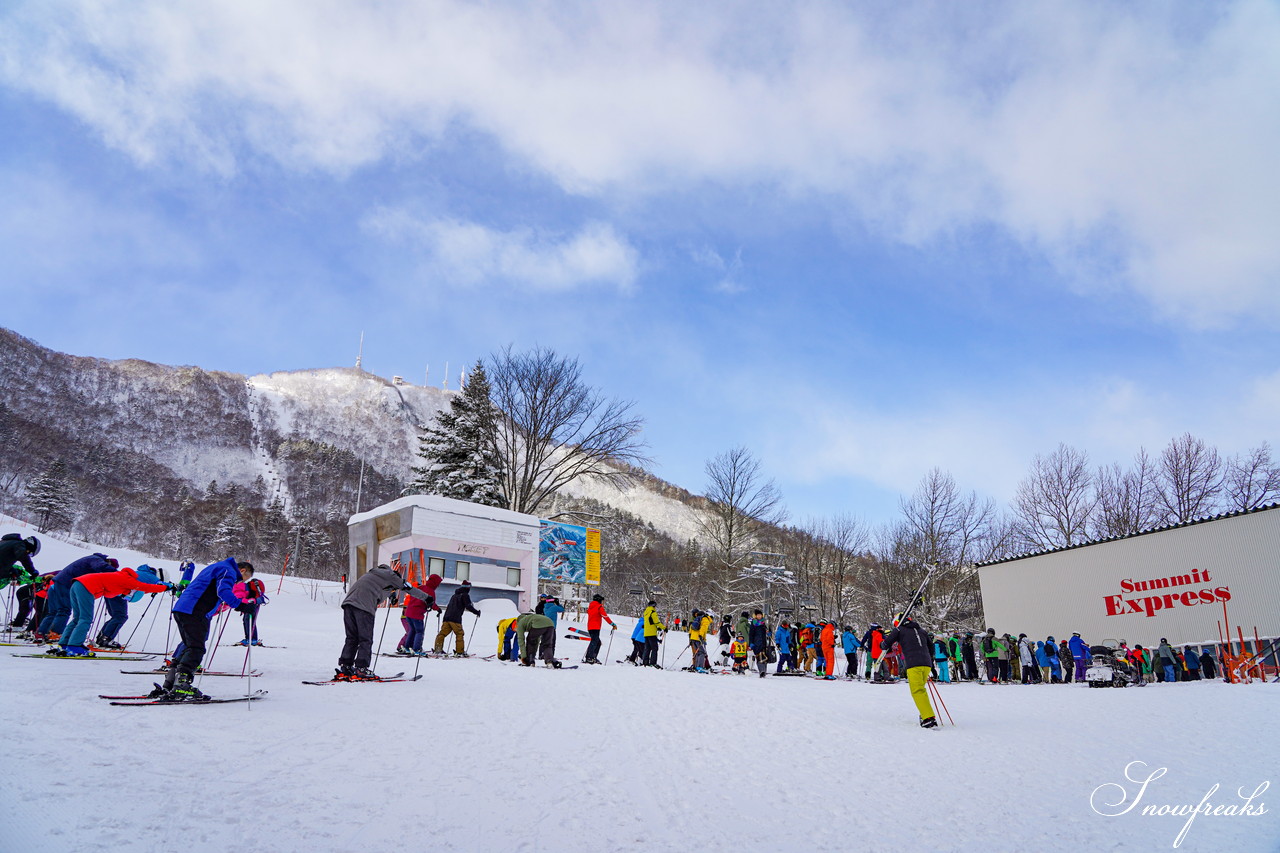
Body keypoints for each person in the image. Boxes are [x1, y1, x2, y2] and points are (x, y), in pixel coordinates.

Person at [157, 558, 255, 699]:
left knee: (188, 646)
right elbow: (223, 591)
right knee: (196, 648)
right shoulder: (229, 570)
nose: (241, 582)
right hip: (195, 610)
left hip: (183, 608)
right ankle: (182, 685)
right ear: (243, 570)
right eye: (245, 579)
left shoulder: (216, 567)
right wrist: (241, 606)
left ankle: (170, 683)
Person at [335, 564, 435, 681]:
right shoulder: (392, 576)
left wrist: (391, 595)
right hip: (364, 607)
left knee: (352, 638)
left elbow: (379, 587)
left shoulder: (372, 574)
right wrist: (427, 598)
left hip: (348, 605)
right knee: (365, 639)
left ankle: (346, 666)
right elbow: (409, 588)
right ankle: (361, 669)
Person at [52, 566, 171, 656]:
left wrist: (126, 593)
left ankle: (64, 644)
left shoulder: (120, 577)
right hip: (86, 586)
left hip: (77, 584)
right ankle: (75, 647)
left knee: (77, 618)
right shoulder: (128, 579)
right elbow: (145, 586)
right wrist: (166, 587)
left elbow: (110, 594)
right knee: (85, 618)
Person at [35, 553, 117, 643]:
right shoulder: (96, 559)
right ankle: (55, 633)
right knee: (64, 610)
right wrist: (117, 574)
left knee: (53, 612)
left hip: (57, 584)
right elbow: (101, 566)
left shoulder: (90, 559)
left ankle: (41, 633)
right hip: (65, 584)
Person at [880, 613, 938, 728]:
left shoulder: (899, 630)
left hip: (913, 663)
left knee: (917, 691)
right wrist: (928, 659)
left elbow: (886, 644)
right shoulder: (921, 630)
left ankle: (928, 718)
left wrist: (883, 644)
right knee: (921, 690)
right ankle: (926, 714)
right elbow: (931, 647)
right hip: (926, 664)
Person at [96, 564, 165, 649]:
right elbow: (160, 584)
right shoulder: (152, 577)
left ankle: (101, 638)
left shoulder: (142, 572)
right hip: (119, 594)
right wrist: (170, 586)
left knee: (116, 616)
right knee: (121, 617)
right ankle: (105, 639)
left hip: (111, 592)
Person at [434, 579, 482, 656]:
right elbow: (468, 606)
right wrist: (476, 612)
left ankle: (437, 649)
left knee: (442, 633)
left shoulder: (454, 595)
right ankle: (459, 652)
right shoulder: (465, 595)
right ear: (467, 588)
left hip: (446, 617)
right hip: (455, 618)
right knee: (459, 633)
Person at [398, 574, 442, 655]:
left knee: (412, 630)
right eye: (438, 584)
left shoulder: (421, 587)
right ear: (435, 583)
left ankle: (407, 647)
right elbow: (431, 603)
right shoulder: (431, 591)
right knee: (419, 631)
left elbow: (413, 596)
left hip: (408, 612)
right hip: (417, 614)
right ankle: (416, 649)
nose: (438, 586)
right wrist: (438, 609)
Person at [232, 576, 269, 646]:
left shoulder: (237, 587)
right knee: (248, 619)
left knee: (248, 619)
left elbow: (239, 598)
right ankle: (251, 638)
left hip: (252, 602)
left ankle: (252, 639)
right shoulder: (240, 585)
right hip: (253, 601)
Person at [584, 594, 617, 665]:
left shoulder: (590, 607)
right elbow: (605, 616)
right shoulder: (599, 607)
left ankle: (593, 657)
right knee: (594, 642)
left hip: (590, 627)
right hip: (596, 627)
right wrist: (612, 624)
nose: (602, 602)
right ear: (599, 600)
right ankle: (589, 657)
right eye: (602, 600)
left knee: (597, 642)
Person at [641, 600, 665, 667]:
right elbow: (656, 622)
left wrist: (657, 628)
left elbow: (650, 623)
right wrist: (664, 627)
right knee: (654, 648)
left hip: (646, 633)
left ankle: (645, 662)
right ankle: (653, 663)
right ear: (654, 606)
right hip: (652, 633)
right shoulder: (653, 612)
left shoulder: (646, 612)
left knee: (647, 648)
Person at [748, 610, 769, 678]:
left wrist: (768, 633)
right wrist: (751, 643)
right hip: (756, 643)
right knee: (759, 657)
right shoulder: (753, 623)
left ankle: (764, 671)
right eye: (758, 615)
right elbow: (751, 634)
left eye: (760, 615)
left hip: (763, 643)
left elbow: (767, 631)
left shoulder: (763, 623)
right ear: (756, 616)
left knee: (764, 657)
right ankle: (761, 671)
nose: (759, 616)